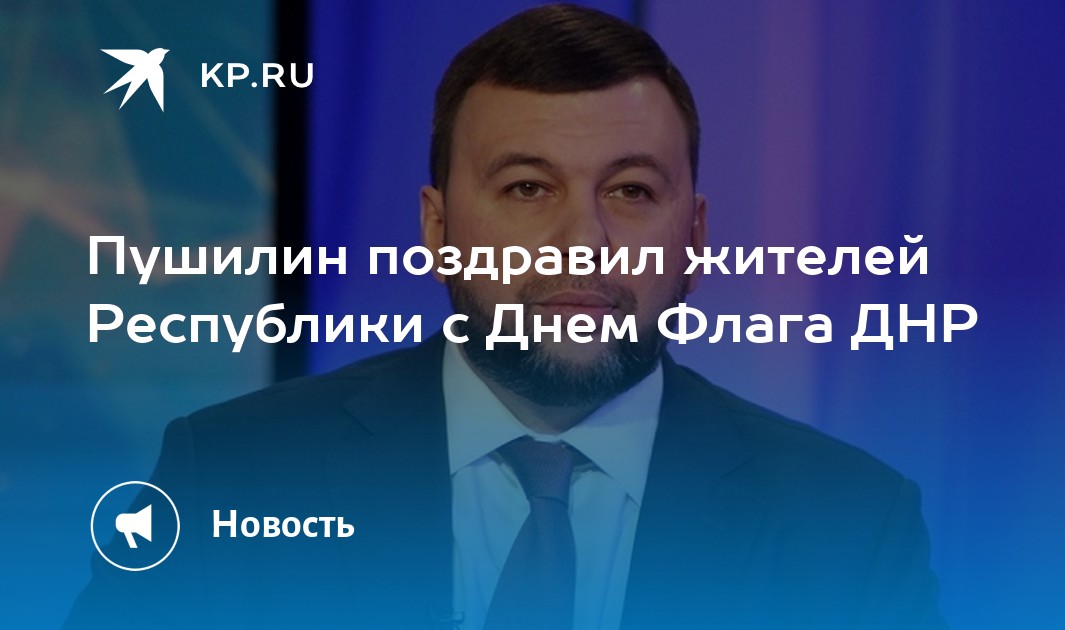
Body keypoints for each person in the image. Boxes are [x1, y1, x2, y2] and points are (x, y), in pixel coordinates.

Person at [68, 4, 943, 629]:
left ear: (696, 237)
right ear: (437, 228)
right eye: (528, 188)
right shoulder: (231, 475)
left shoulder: (851, 527)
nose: (582, 240)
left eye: (631, 191)